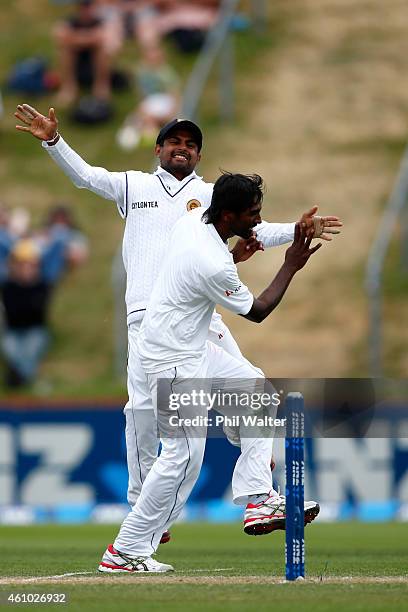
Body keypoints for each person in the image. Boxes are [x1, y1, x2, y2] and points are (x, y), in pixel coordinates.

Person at [14, 104, 342, 558]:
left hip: (200, 315)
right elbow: (87, 177)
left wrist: (297, 230)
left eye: (191, 144)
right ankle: (148, 515)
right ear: (158, 148)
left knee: (254, 394)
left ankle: (256, 492)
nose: (182, 149)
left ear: (200, 157)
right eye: (175, 141)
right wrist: (54, 141)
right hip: (152, 322)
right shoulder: (137, 186)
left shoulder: (209, 200)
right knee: (145, 417)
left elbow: (257, 228)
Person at [98, 172, 321, 572]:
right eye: (252, 214)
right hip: (172, 361)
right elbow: (257, 311)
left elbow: (198, 277)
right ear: (229, 214)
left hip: (190, 347)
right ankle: (125, 550)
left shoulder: (194, 221)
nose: (257, 220)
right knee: (183, 457)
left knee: (258, 394)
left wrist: (237, 255)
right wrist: (291, 264)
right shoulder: (213, 263)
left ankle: (257, 497)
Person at [0, 239, 52, 387]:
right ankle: (25, 379)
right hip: (14, 332)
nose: (26, 269)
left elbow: (36, 312)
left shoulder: (41, 285)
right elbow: (14, 312)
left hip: (35, 331)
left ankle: (18, 379)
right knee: (12, 350)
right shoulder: (8, 286)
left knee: (31, 349)